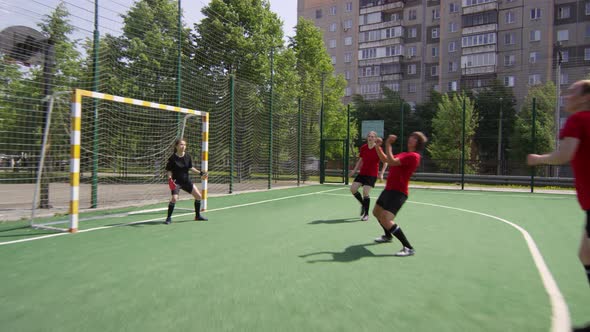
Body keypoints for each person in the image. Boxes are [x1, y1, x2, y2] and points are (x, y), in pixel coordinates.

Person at [527, 80, 590, 290]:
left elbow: (564, 154)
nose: (567, 95)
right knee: (586, 254)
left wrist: (538, 159)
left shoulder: (577, 120)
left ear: (585, 97)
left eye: (573, 92)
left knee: (586, 254)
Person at [372, 132, 427, 257]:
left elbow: (391, 161)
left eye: (415, 138)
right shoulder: (404, 154)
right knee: (376, 213)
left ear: (418, 144)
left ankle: (408, 247)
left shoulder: (414, 156)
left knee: (386, 218)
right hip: (388, 190)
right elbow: (386, 159)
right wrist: (378, 147)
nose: (411, 139)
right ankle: (387, 236)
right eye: (411, 136)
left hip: (399, 193)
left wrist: (388, 144)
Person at [164, 138, 208, 224]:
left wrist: (200, 173)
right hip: (176, 182)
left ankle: (197, 216)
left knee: (198, 196)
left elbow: (190, 167)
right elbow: (169, 171)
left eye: (184, 145)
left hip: (186, 181)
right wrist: (170, 179)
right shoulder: (172, 158)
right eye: (181, 144)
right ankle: (168, 218)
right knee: (174, 198)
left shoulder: (188, 156)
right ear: (176, 146)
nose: (183, 146)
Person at [350, 131, 388, 221]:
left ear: (375, 138)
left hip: (372, 174)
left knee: (365, 192)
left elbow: (385, 162)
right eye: (369, 136)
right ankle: (363, 204)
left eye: (372, 136)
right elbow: (360, 160)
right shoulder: (363, 148)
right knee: (353, 189)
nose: (370, 138)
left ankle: (366, 214)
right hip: (362, 173)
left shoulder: (378, 149)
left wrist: (381, 173)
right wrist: (354, 170)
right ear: (367, 138)